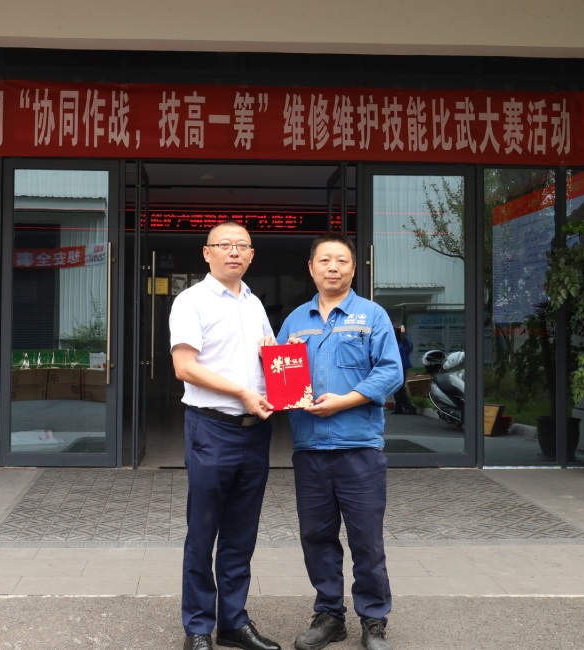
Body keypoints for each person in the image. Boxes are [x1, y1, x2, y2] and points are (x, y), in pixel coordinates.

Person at [276, 234, 402, 650]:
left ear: (353, 267)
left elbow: (391, 372)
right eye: (325, 260)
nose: (333, 267)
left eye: (342, 260)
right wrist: (278, 359)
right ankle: (330, 615)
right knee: (316, 536)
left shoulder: (372, 316)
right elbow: (277, 376)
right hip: (310, 449)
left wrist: (344, 401)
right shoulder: (295, 321)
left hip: (359, 448)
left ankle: (374, 619)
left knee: (367, 539)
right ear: (311, 268)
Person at [169, 221, 282, 650]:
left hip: (255, 432)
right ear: (207, 252)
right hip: (212, 428)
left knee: (241, 533)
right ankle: (198, 627)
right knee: (203, 532)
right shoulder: (190, 301)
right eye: (224, 245)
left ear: (252, 255)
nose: (234, 252)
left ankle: (233, 622)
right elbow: (185, 367)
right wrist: (241, 392)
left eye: (242, 246)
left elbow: (269, 359)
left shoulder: (254, 303)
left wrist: (286, 376)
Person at [390, 327, 417, 415]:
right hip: (397, 367)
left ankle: (410, 407)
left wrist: (402, 329)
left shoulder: (404, 343)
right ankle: (398, 408)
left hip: (402, 367)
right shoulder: (397, 343)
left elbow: (403, 336)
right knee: (397, 388)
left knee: (399, 388)